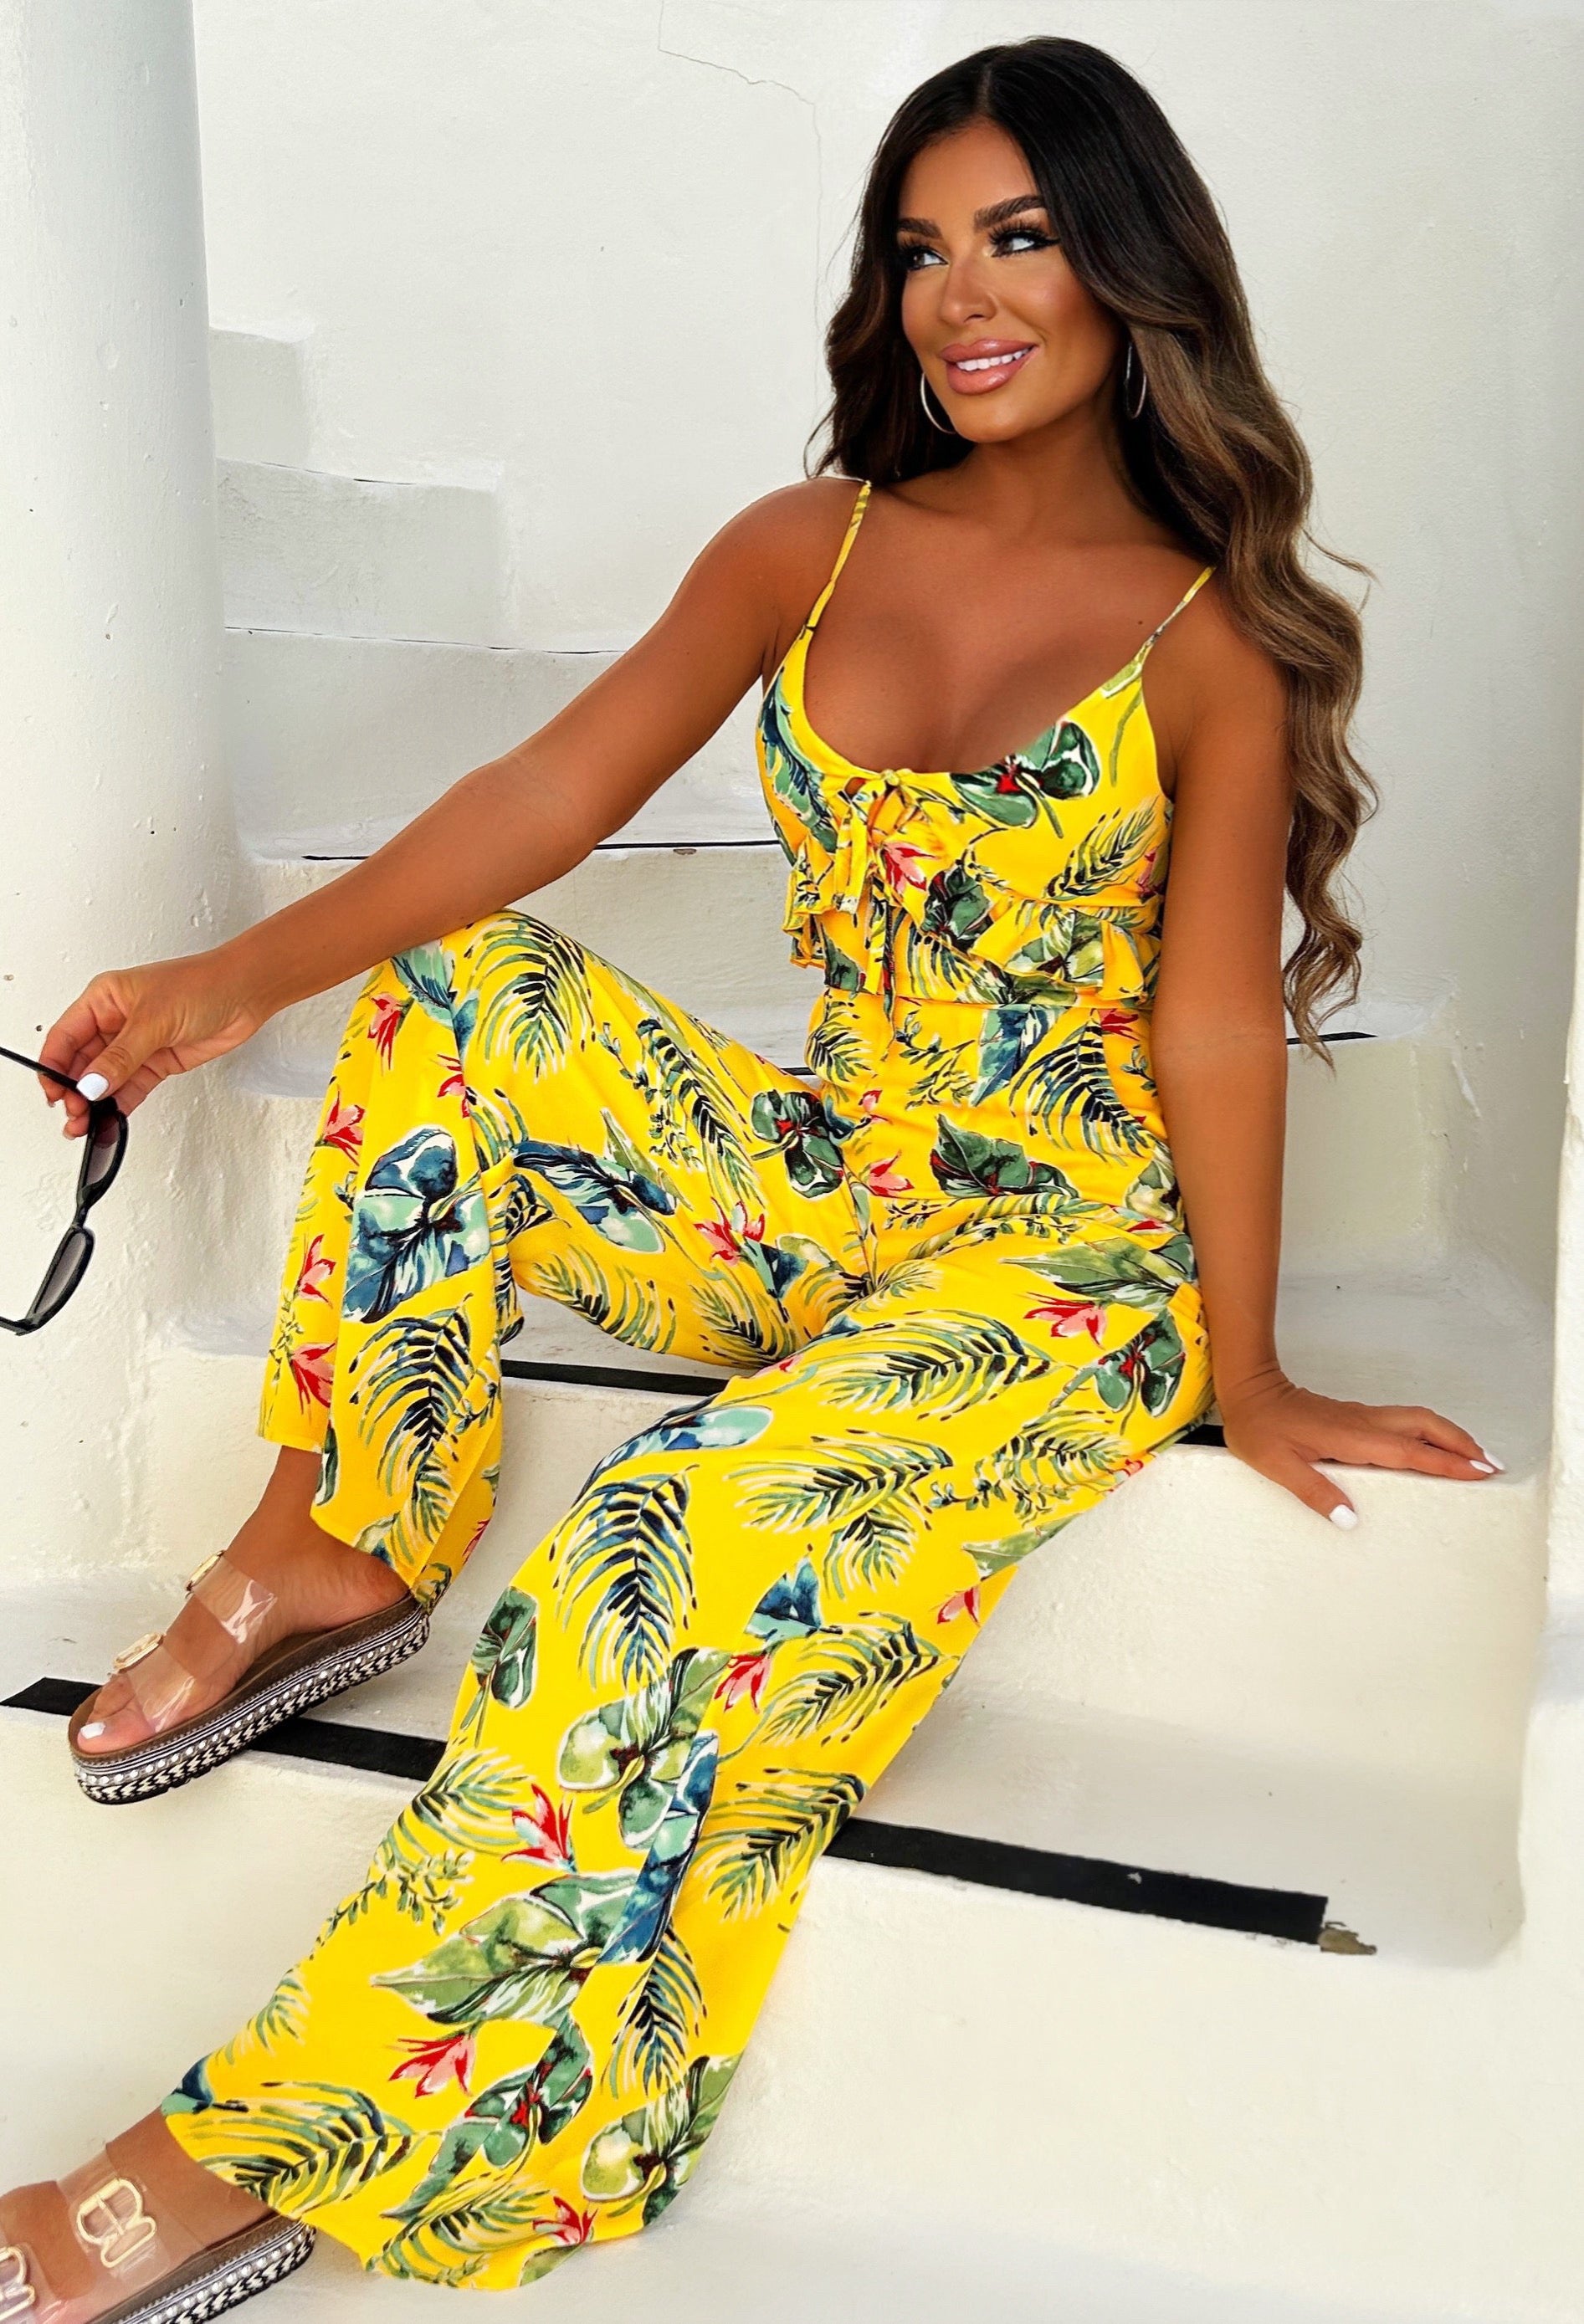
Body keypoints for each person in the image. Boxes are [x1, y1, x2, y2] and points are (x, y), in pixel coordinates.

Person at [0, 33, 1499, 2313]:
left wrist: (1258, 1365)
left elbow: (1212, 1020)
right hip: (829, 1181)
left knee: (649, 1540)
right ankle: (339, 1529)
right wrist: (233, 979)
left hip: (1064, 1269)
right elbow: (544, 798)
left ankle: (263, 2142)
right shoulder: (813, 544)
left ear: (1129, 272)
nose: (961, 296)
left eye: (1020, 237)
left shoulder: (1208, 641)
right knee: (460, 994)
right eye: (922, 246)